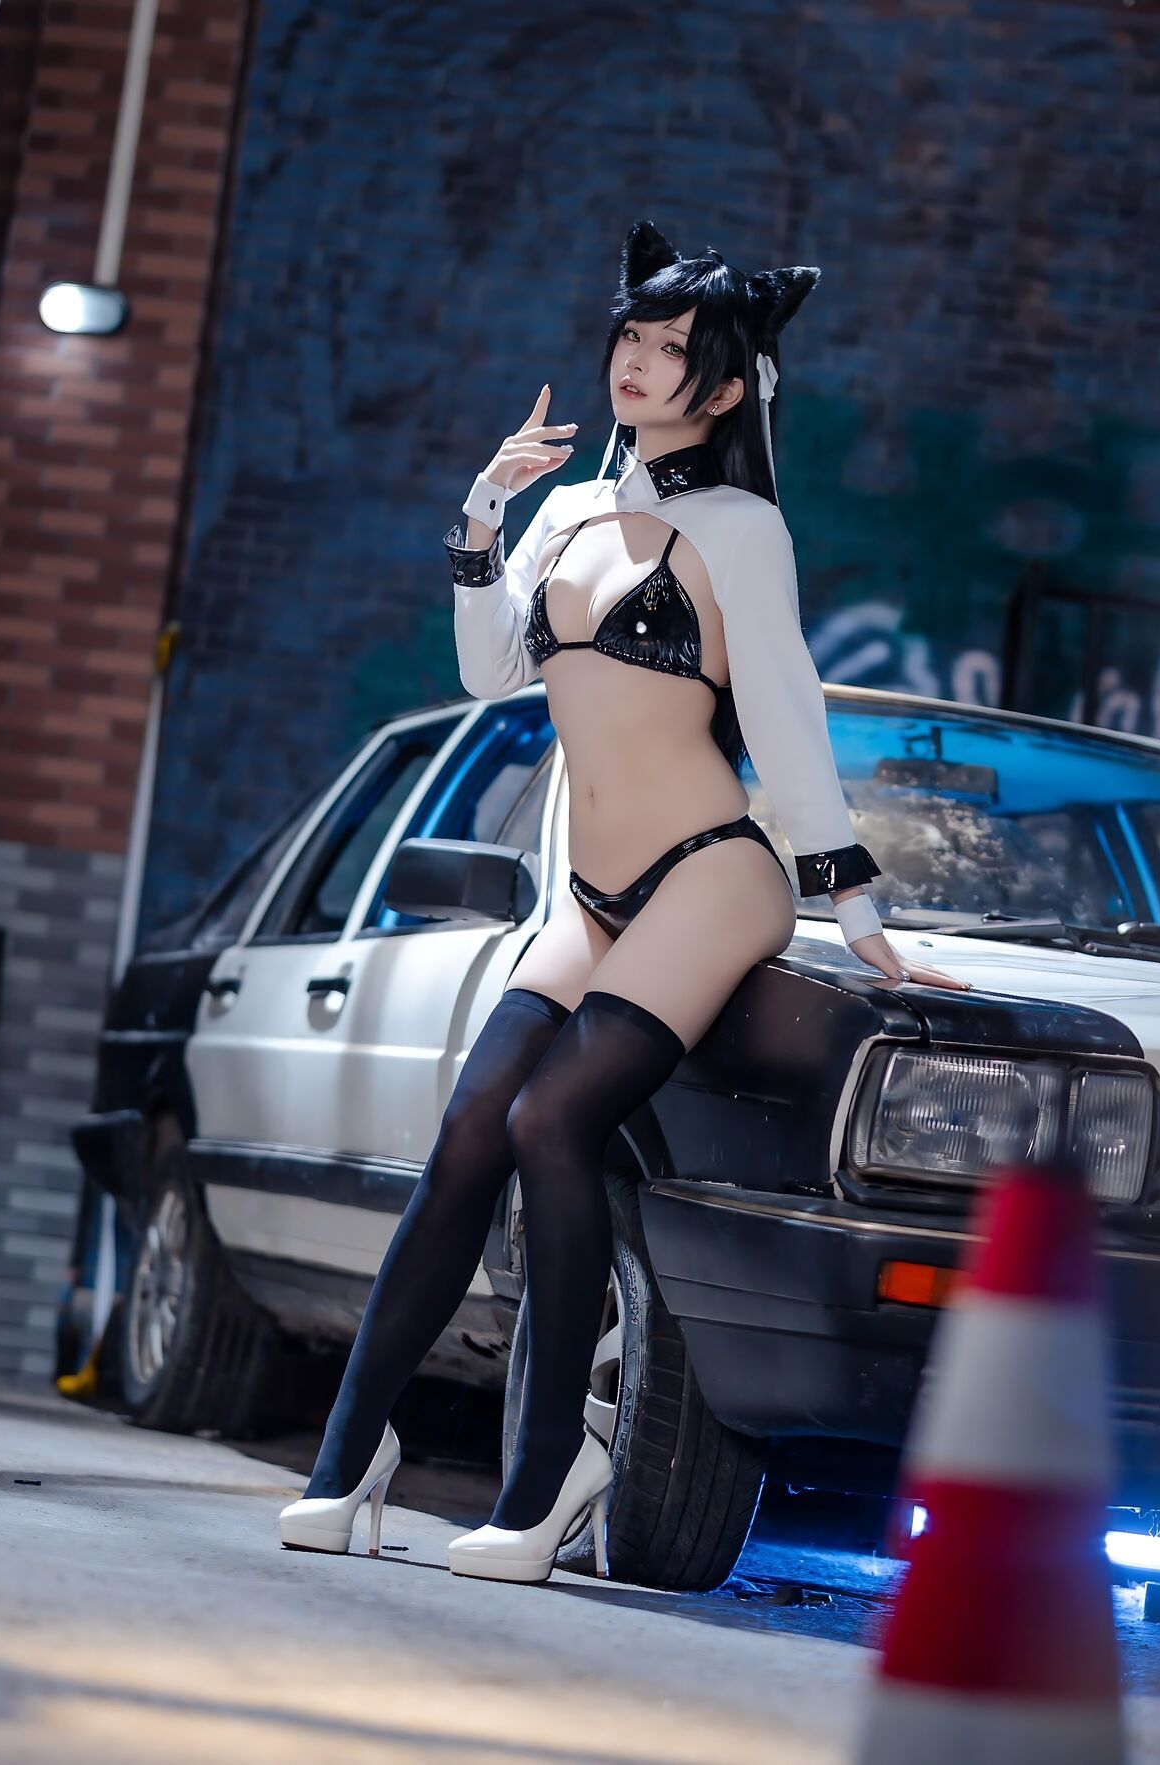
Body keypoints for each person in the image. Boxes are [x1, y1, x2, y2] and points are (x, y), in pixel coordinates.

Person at [279, 218, 969, 1585]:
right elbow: (490, 673)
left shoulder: (744, 530)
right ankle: (347, 1458)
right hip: (587, 894)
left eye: (672, 348)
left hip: (712, 874)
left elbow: (786, 710)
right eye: (631, 338)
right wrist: (483, 518)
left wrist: (855, 906)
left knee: (552, 1119)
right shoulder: (567, 513)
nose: (637, 363)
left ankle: (545, 1481)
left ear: (730, 385)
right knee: (470, 1130)